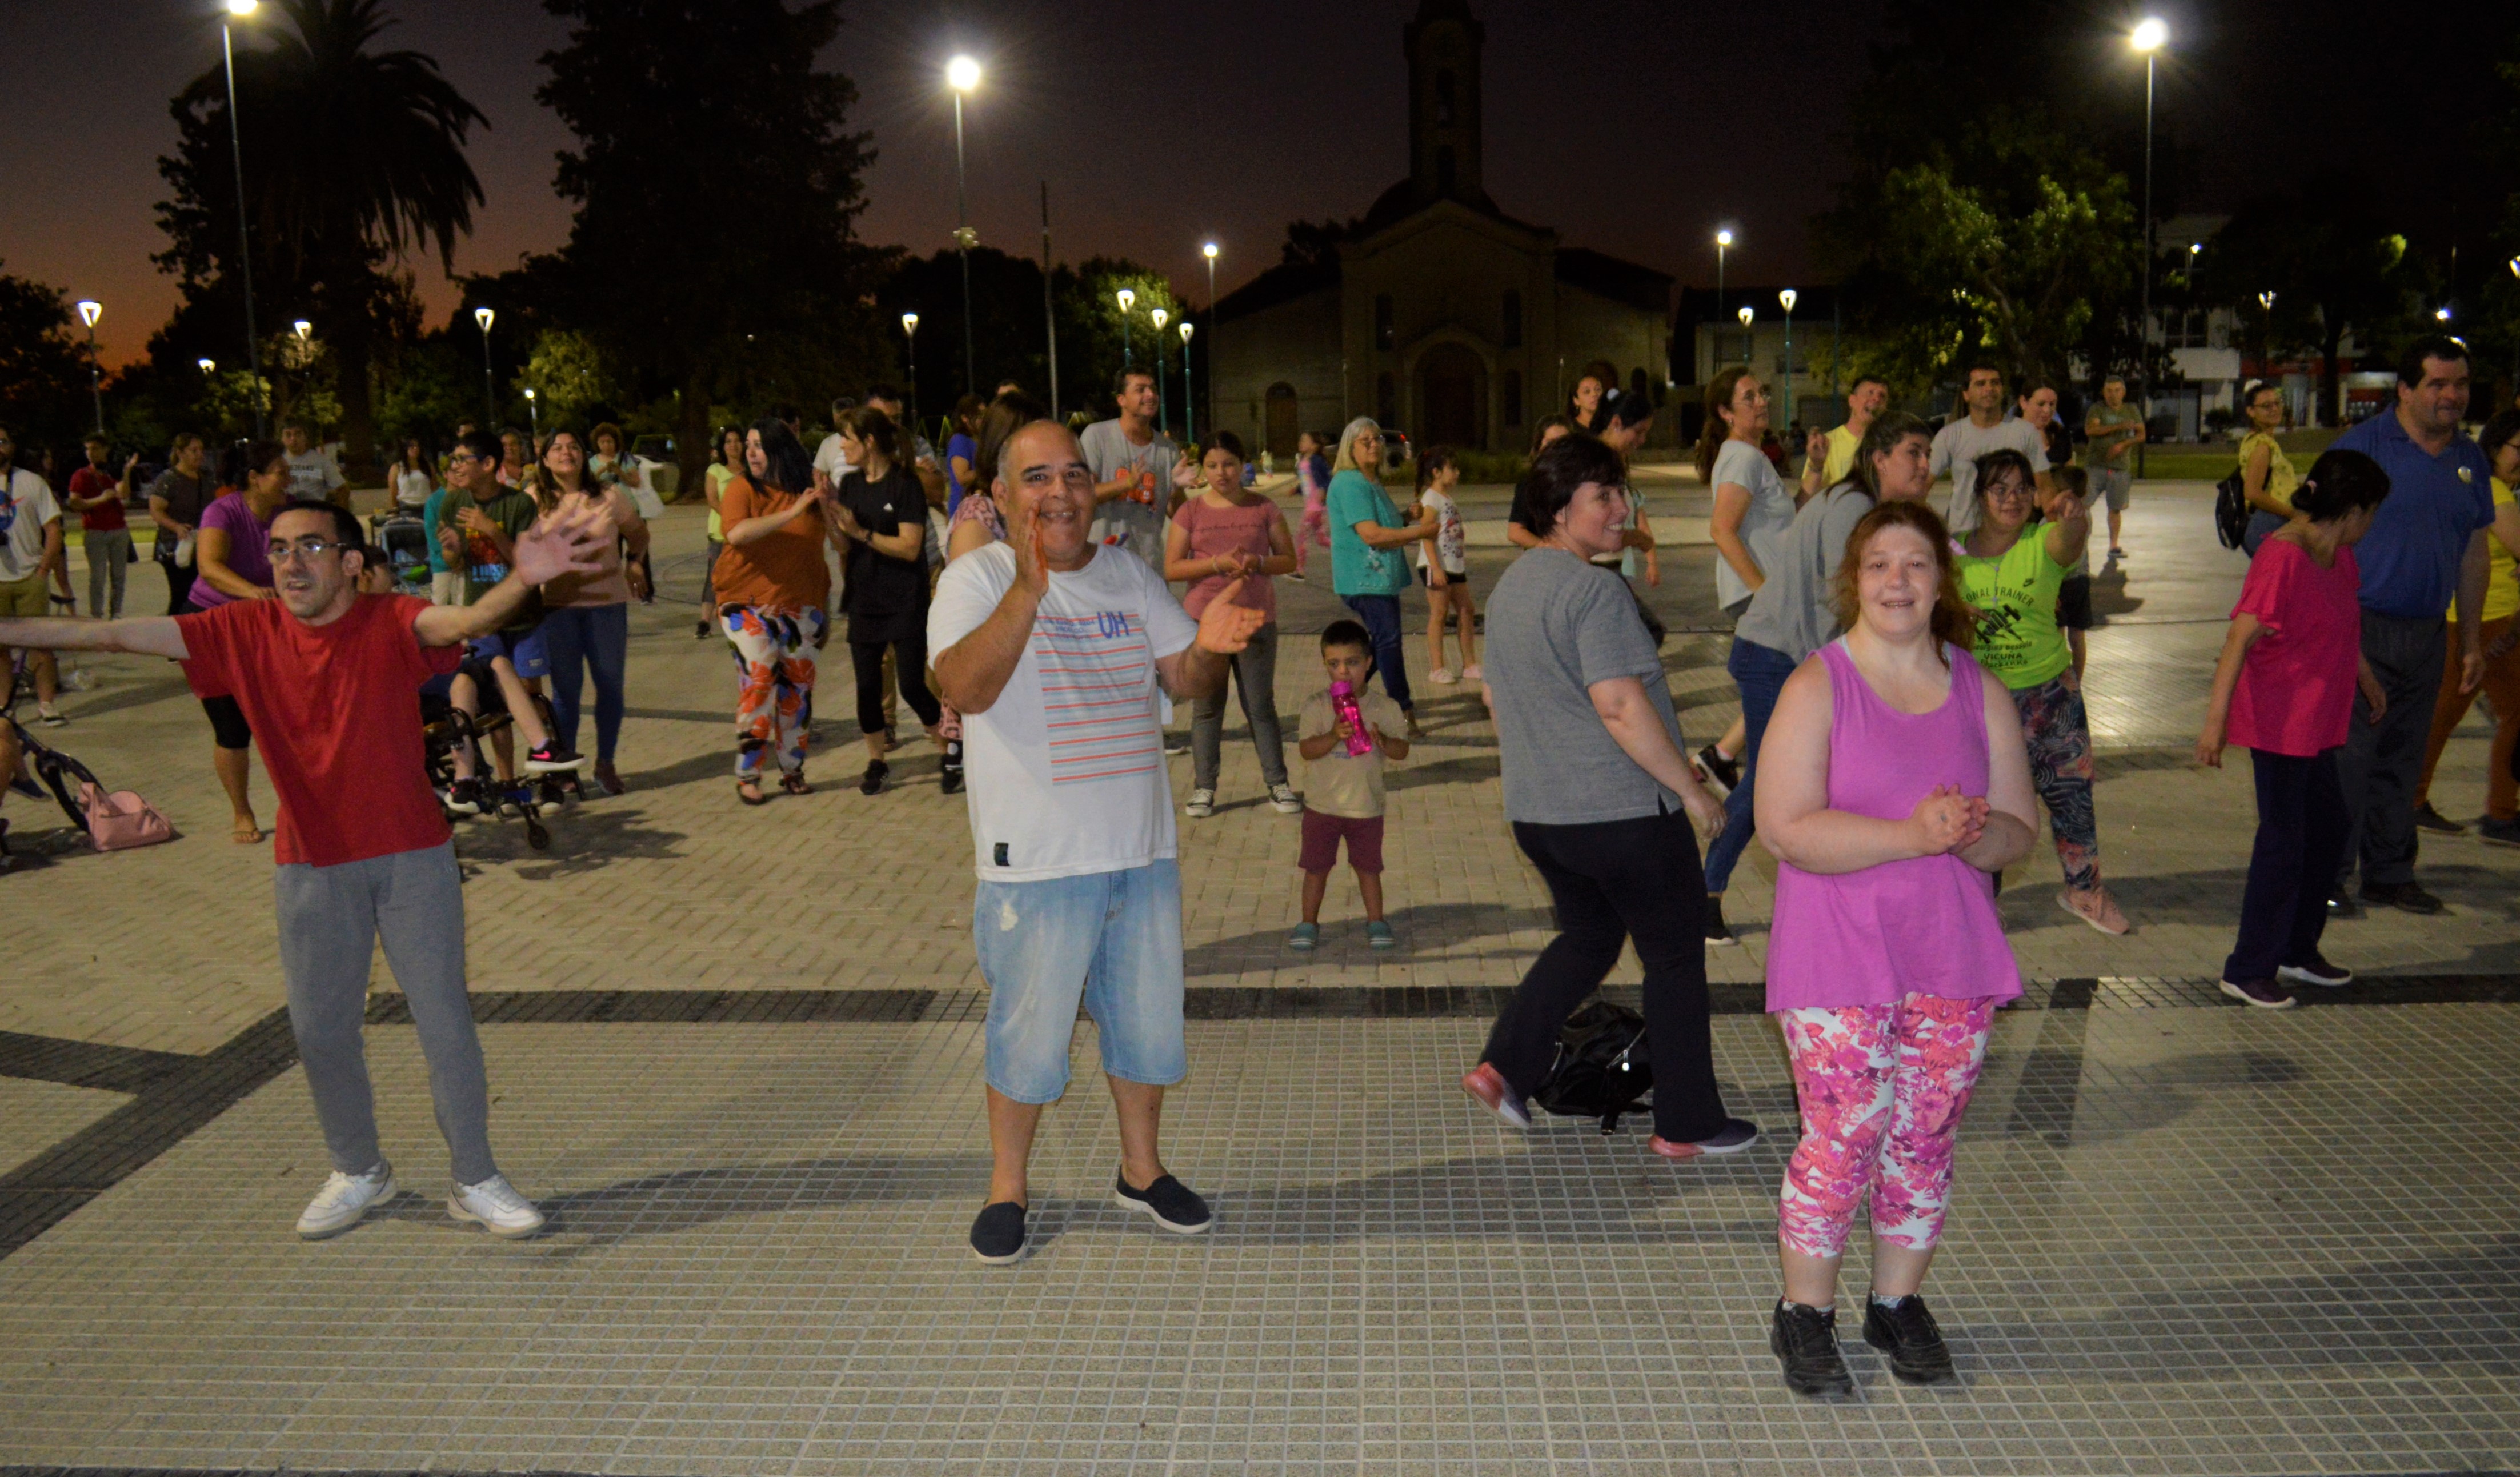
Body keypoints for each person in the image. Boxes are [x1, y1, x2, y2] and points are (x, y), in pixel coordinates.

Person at [0, 496, 611, 1239]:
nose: (290, 563)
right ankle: (360, 1170)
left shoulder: (392, 619)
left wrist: (523, 576)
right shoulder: (241, 629)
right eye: (280, 548)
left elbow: (467, 621)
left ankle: (474, 1177)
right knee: (321, 1032)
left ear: (351, 562)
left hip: (412, 855)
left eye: (311, 547)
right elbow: (105, 632)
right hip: (311, 863)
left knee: (446, 1024)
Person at [928, 411, 1264, 1265]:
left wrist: (1212, 648)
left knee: (1147, 1028)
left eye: (1073, 473)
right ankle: (1008, 1187)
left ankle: (1141, 1170)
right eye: (1036, 477)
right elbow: (963, 688)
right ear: (1001, 495)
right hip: (1038, 862)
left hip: (1139, 853)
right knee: (1028, 1037)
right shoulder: (975, 579)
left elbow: (1184, 676)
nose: (1060, 491)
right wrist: (1029, 588)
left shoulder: (1126, 574)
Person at [1753, 497, 2037, 1398]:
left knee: (1924, 1134)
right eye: (1878, 564)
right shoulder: (1817, 685)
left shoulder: (1979, 690)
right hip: (1834, 952)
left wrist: (1972, 833)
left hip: (1948, 951)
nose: (1896, 581)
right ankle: (1804, 1313)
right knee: (1844, 1135)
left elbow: (2018, 831)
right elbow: (1783, 828)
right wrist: (1910, 835)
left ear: (1940, 579)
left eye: (1914, 563)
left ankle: (1895, 1302)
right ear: (1853, 580)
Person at [1463, 432, 1754, 1161]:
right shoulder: (1593, 590)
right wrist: (1691, 790)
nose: (1622, 508)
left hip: (1540, 816)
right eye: (1604, 496)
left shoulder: (1510, 588)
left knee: (1590, 937)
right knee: (1675, 959)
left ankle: (1506, 1065)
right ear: (1559, 510)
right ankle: (1686, 1122)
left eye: (1622, 492)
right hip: (1623, 817)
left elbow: (1497, 699)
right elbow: (1620, 705)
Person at [1701, 412, 1938, 945]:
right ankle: (1704, 892)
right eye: (1913, 452)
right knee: (1770, 782)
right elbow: (1846, 596)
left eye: (1928, 454)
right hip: (1773, 654)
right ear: (1878, 458)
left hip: (1789, 654)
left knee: (1802, 777)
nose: (1925, 465)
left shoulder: (1866, 507)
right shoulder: (1853, 507)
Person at [2196, 450, 2392, 1009]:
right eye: (2371, 512)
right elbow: (2239, 638)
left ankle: (2296, 949)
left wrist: (2367, 680)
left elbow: (2340, 623)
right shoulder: (2282, 556)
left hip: (2317, 721)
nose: (2371, 523)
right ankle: (2247, 967)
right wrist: (2214, 724)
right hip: (2280, 723)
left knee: (2328, 829)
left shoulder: (2338, 553)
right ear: (2352, 511)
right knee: (2283, 843)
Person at [2327, 334, 2494, 916]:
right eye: (2437, 384)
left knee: (2404, 759)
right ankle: (2327, 877)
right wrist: (2337, 633)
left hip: (2428, 633)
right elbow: (2319, 545)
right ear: (2403, 390)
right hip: (2361, 628)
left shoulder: (2469, 460)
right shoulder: (2362, 449)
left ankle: (2389, 874)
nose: (2452, 395)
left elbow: (2474, 553)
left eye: (2460, 384)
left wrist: (2469, 640)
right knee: (2347, 761)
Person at [1956, 449, 2129, 934]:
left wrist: (2075, 517)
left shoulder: (2040, 542)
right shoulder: (1951, 555)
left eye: (2021, 489)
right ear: (1979, 496)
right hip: (1981, 701)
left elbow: (2068, 540)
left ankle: (2084, 892)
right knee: (1981, 806)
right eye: (1999, 489)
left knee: (2072, 796)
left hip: (2050, 697)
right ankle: (1979, 902)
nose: (2011, 499)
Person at [436, 430, 580, 800]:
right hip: (484, 618)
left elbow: (526, 563)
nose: (455, 467)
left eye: (462, 459)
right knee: (495, 702)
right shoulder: (452, 504)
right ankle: (510, 784)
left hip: (524, 617)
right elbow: (455, 564)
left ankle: (548, 777)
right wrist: (452, 550)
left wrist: (491, 530)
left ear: (488, 464)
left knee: (531, 696)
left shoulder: (518, 504)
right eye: (453, 460)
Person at [1165, 430, 1298, 819]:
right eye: (1212, 465)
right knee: (1207, 708)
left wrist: (1259, 562)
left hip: (1255, 620)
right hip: (1203, 623)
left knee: (1260, 706)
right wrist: (1215, 563)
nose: (1221, 472)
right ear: (1202, 469)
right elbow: (1172, 567)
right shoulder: (1191, 511)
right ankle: (1204, 788)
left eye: (1228, 464)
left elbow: (1289, 559)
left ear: (1242, 465)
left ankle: (1278, 783)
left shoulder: (1264, 508)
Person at [2413, 408, 2520, 843]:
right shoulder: (2494, 490)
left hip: (2472, 619)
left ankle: (2411, 798)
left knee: (2443, 714)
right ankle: (2500, 813)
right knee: (2513, 713)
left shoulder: (2485, 485)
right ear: (2494, 447)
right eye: (2518, 449)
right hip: (2492, 622)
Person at [715, 418, 832, 804]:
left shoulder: (809, 491)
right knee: (761, 673)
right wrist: (793, 511)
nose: (750, 452)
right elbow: (737, 533)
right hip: (744, 601)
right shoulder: (742, 488)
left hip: (801, 604)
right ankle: (748, 773)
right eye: (748, 444)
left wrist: (826, 503)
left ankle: (792, 769)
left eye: (759, 445)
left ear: (780, 450)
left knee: (797, 688)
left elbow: (834, 544)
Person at [829, 407, 944, 796]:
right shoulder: (849, 483)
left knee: (912, 685)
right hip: (864, 597)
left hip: (905, 598)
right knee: (867, 688)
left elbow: (911, 548)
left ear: (868, 442)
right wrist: (828, 513)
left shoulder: (905, 483)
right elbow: (843, 544)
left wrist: (862, 532)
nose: (841, 446)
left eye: (847, 438)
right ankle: (876, 761)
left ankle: (950, 749)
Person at [189, 440, 297, 836]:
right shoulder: (222, 511)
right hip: (212, 625)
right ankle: (242, 812)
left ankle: (299, 806)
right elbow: (209, 566)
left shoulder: (288, 512)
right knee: (232, 727)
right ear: (254, 478)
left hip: (265, 624)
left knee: (285, 721)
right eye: (281, 472)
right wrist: (252, 592)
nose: (288, 479)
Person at [532, 429, 649, 797]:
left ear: (583, 456)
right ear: (545, 459)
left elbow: (639, 533)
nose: (566, 453)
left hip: (606, 606)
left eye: (573, 447)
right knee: (566, 692)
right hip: (558, 608)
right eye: (557, 448)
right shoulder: (533, 499)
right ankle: (565, 767)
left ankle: (606, 764)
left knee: (610, 688)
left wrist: (635, 562)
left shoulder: (608, 495)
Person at [1288, 619, 1410, 950]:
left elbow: (1402, 751)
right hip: (1322, 807)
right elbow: (1306, 750)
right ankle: (1308, 923)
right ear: (1325, 665)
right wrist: (1333, 736)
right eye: (1334, 664)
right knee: (1316, 868)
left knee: (1368, 868)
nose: (1344, 671)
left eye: (1353, 662)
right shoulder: (1316, 705)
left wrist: (1383, 741)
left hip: (1366, 807)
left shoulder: (1385, 707)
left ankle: (1376, 921)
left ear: (1369, 662)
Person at [1325, 417, 1435, 735]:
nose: (1374, 445)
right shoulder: (1350, 483)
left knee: (1381, 645)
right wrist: (1422, 531)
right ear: (1351, 448)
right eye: (1366, 441)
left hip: (1378, 579)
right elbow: (1372, 535)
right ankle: (1402, 711)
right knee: (1388, 643)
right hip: (1364, 580)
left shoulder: (1369, 480)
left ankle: (1344, 697)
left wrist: (1405, 517)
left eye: (1378, 439)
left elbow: (1384, 523)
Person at [1932, 363, 2049, 538]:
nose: (1989, 389)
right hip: (1964, 537)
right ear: (1966, 394)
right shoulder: (1950, 435)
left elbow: (2045, 487)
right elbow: (1920, 485)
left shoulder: (2026, 433)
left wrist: (2057, 532)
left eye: (1995, 383)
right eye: (1981, 384)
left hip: (2014, 538)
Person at [1084, 368, 1181, 573]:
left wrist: (1178, 489)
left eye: (1153, 389)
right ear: (1122, 400)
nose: (1151, 395)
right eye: (1141, 390)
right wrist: (1127, 483)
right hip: (1103, 564)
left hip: (1148, 566)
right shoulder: (1097, 436)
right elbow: (1084, 495)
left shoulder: (1168, 449)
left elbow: (1175, 512)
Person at [0, 427, 66, 726]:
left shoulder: (31, 482)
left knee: (40, 644)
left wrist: (43, 570)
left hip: (30, 576)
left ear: (12, 447)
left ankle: (47, 704)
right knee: (1, 649)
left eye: (3, 441)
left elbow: (53, 529)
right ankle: (5, 706)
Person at [1413, 447, 1480, 685]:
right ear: (1437, 472)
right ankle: (1437, 668)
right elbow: (1426, 534)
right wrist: (1436, 567)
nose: (1457, 473)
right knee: (1439, 614)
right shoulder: (1431, 499)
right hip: (1437, 565)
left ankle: (1469, 664)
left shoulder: (1446, 498)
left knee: (1466, 610)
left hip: (1454, 566)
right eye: (1453, 468)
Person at [64, 437, 134, 621]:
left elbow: (124, 493)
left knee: (119, 575)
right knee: (98, 576)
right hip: (95, 530)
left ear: (105, 449)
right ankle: (96, 614)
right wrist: (100, 499)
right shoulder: (81, 475)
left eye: (95, 448)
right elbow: (74, 503)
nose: (90, 453)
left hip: (118, 529)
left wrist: (127, 471)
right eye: (88, 449)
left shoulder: (111, 473)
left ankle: (116, 612)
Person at [146, 433, 216, 615]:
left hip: (201, 544)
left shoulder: (207, 478)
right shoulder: (169, 479)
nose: (200, 455)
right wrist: (176, 526)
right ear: (179, 453)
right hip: (176, 548)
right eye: (194, 450)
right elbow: (156, 509)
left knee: (201, 594)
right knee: (182, 595)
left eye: (201, 450)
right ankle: (175, 627)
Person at [2235, 381, 2302, 555]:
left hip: (2271, 521)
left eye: (2277, 403)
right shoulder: (2262, 446)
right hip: (2268, 523)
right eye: (2266, 406)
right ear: (2251, 411)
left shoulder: (2259, 440)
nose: (2274, 409)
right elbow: (2253, 493)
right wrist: (2293, 513)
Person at [2084, 375, 2145, 559]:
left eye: (2117, 390)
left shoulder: (2131, 410)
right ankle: (2080, 545)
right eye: (2109, 391)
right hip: (2095, 466)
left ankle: (2114, 546)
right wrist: (2119, 427)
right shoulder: (2097, 409)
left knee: (2115, 509)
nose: (2113, 395)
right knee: (2083, 505)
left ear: (2123, 392)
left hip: (2120, 468)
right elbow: (2091, 430)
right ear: (2104, 392)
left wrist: (2123, 445)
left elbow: (2141, 435)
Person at [2049, 464, 2099, 681]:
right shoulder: (2085, 515)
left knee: (2057, 632)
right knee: (2077, 635)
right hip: (2080, 579)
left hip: (2058, 583)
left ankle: (2060, 677)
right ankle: (2077, 678)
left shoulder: (2054, 520)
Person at [1801, 377, 1887, 499]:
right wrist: (1816, 465)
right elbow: (1808, 494)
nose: (1877, 399)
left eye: (1882, 396)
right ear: (1852, 401)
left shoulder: (1890, 444)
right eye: (1870, 393)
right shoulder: (1827, 444)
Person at [698, 426, 741, 638]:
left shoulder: (750, 471)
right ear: (723, 447)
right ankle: (705, 621)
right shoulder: (715, 470)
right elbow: (713, 499)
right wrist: (733, 518)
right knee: (714, 576)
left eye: (737, 441)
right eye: (728, 442)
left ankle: (738, 618)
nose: (733, 446)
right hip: (721, 532)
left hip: (745, 533)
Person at [1291, 429, 1332, 579]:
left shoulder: (1317, 460)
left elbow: (1328, 479)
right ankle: (1346, 550)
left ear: (1315, 446)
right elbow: (1307, 482)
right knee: (1322, 540)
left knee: (1301, 536)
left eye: (1305, 440)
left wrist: (1323, 490)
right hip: (1312, 506)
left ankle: (1299, 570)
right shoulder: (1304, 461)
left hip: (1315, 508)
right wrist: (1296, 490)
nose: (1301, 443)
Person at [279, 419, 346, 506]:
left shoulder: (321, 460)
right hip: (286, 511)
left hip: (314, 510)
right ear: (282, 439)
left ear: (305, 437)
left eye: (298, 434)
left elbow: (342, 488)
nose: (293, 439)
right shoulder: (277, 462)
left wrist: (340, 513)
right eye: (288, 435)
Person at [945, 395, 984, 516]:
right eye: (979, 416)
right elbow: (962, 477)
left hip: (977, 505)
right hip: (963, 508)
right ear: (965, 418)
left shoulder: (979, 439)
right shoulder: (960, 440)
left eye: (985, 415)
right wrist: (989, 471)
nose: (983, 420)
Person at [2017, 380, 2070, 469]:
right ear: (2024, 402)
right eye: (2041, 404)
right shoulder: (2009, 435)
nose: (2047, 410)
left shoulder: (2060, 433)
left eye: (2052, 404)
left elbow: (2069, 471)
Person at [388, 438, 435, 512]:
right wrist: (394, 509)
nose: (415, 448)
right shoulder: (397, 468)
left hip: (426, 506)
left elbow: (434, 487)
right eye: (412, 446)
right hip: (406, 507)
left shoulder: (428, 467)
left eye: (417, 446)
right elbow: (393, 492)